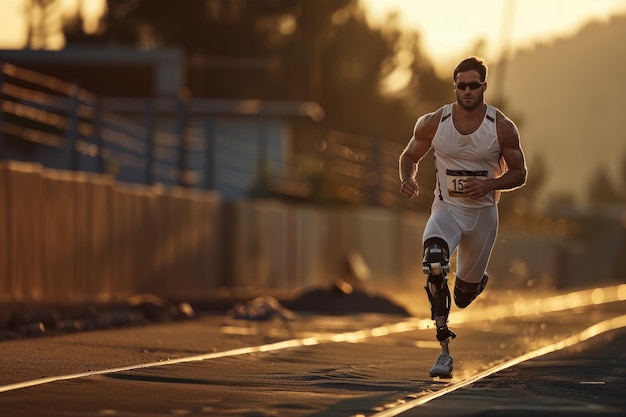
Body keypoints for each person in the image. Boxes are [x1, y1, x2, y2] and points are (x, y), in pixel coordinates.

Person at [398, 56, 527, 377]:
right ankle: (443, 352)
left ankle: (475, 283)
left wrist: (490, 183)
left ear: (484, 87)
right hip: (446, 211)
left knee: (463, 296)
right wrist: (407, 178)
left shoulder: (501, 127)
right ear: (454, 87)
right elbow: (409, 155)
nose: (467, 91)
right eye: (461, 85)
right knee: (435, 264)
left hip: (483, 218)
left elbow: (521, 173)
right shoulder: (433, 122)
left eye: (474, 85)